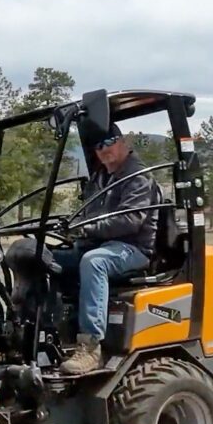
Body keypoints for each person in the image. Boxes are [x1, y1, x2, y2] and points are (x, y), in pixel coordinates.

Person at [53, 125, 160, 374]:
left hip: (132, 248)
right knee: (43, 258)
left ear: (123, 142)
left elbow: (130, 220)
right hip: (102, 244)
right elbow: (88, 215)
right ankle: (47, 334)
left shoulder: (138, 176)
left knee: (94, 262)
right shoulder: (100, 177)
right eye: (98, 146)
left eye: (109, 142)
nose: (104, 150)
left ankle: (91, 347)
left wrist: (86, 229)